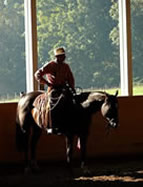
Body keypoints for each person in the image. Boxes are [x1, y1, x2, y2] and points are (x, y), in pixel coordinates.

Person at [34, 47, 75, 134]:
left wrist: (72, 88)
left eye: (64, 56)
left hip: (64, 88)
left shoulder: (66, 66)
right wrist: (47, 83)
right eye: (61, 56)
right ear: (56, 57)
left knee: (73, 102)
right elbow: (37, 74)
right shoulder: (50, 65)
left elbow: (70, 78)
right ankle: (51, 125)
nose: (63, 58)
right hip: (53, 89)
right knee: (53, 104)